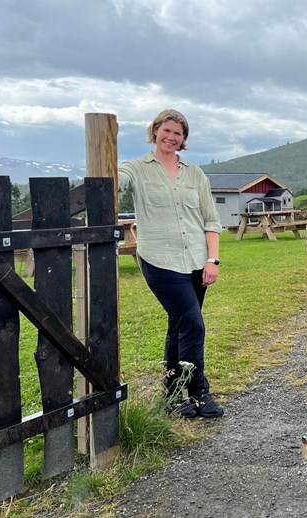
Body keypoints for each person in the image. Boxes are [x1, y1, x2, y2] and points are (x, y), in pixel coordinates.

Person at [118, 109, 224, 419]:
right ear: (155, 131)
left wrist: (212, 259)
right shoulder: (136, 168)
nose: (171, 137)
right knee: (192, 324)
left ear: (184, 139)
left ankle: (172, 393)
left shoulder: (194, 173)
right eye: (166, 130)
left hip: (195, 259)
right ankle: (198, 391)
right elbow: (114, 182)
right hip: (160, 260)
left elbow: (210, 220)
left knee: (179, 325)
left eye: (178, 133)